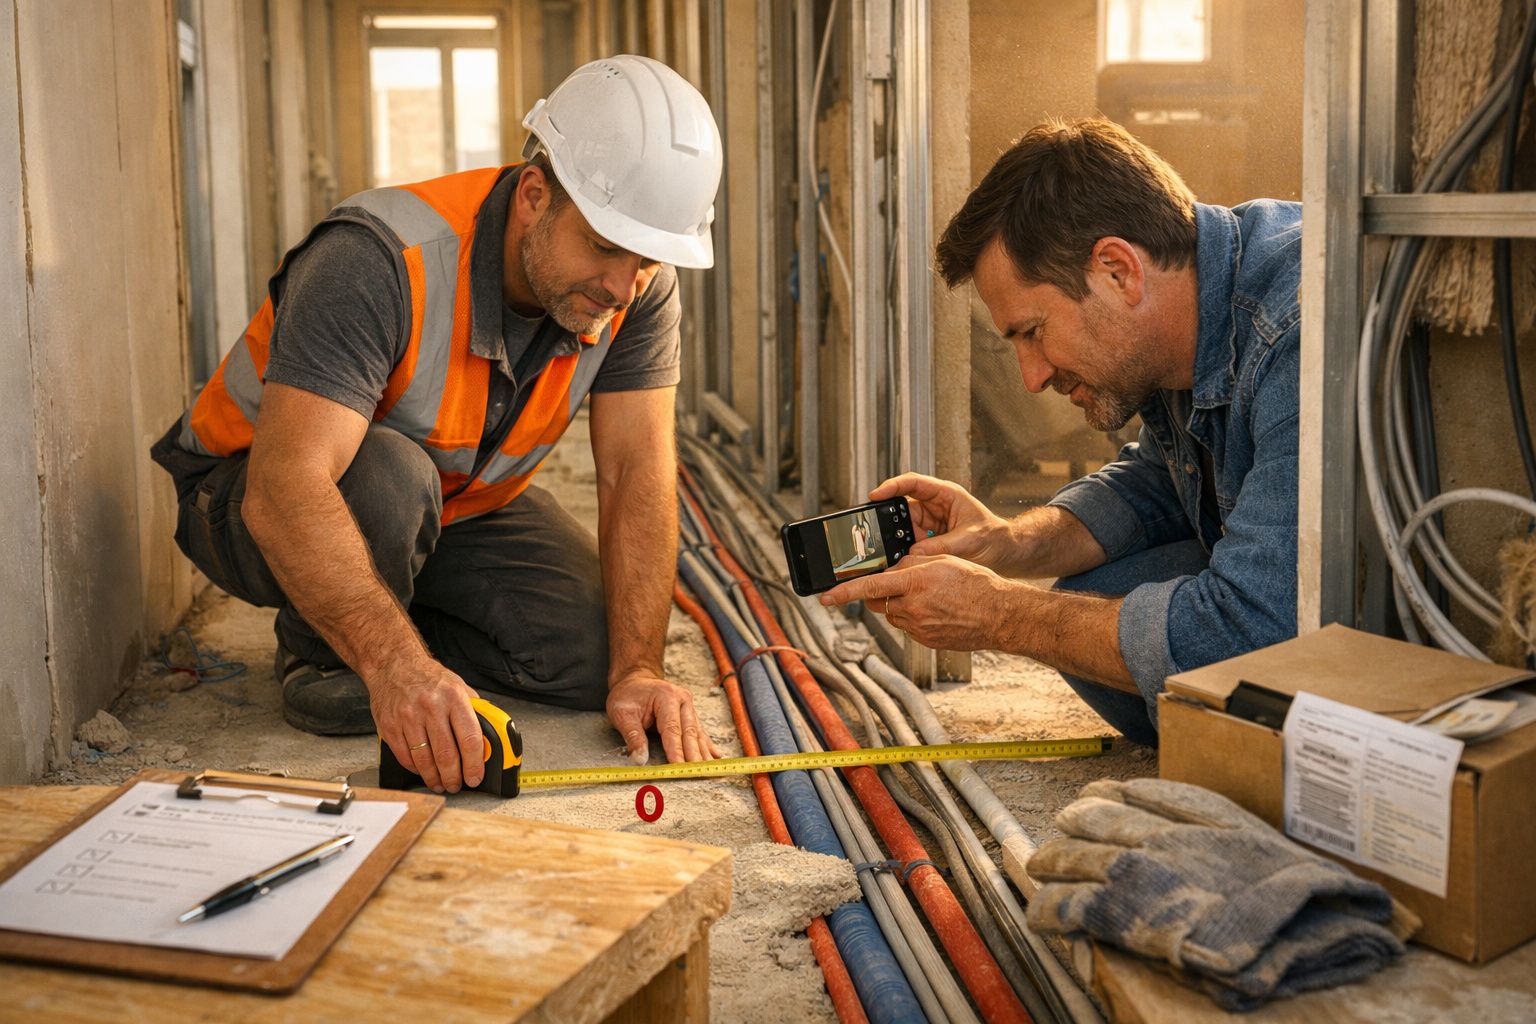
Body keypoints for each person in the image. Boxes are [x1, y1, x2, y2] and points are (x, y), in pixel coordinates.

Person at [151, 55, 725, 793]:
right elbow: (285, 488)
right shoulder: (377, 260)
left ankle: (385, 611)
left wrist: (639, 667)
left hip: (456, 503)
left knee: (590, 657)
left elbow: (635, 469)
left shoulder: (637, 291)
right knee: (391, 480)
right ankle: (322, 647)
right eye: (605, 247)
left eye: (645, 260)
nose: (622, 286)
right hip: (248, 497)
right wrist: (396, 668)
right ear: (534, 195)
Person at [822, 118, 1300, 747]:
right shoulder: (1188, 307)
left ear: (1117, 271)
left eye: (1032, 331)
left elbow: (1256, 633)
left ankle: (1220, 740)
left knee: (1109, 629)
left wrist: (999, 614)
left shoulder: (1294, 337)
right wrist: (1006, 544)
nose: (1030, 376)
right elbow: (1158, 483)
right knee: (1096, 598)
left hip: (1349, 658)